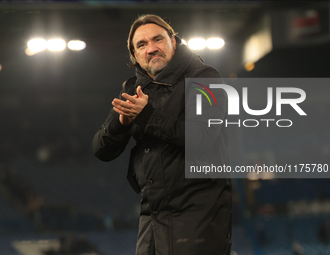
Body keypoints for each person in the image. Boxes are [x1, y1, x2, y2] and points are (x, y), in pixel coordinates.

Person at [92, 14, 231, 255]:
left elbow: (202, 137)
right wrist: (122, 123)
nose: (152, 48)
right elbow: (101, 150)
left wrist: (146, 115)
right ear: (134, 56)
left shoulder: (204, 78)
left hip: (198, 213)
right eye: (142, 45)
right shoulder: (132, 89)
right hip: (152, 215)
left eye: (158, 39)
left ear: (174, 42)